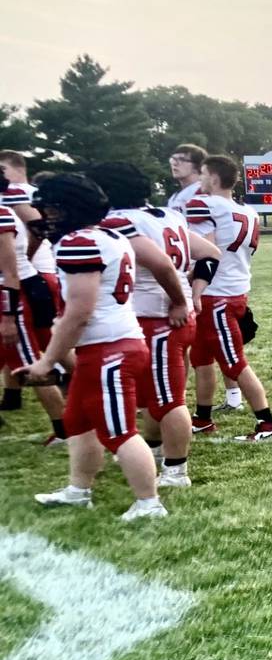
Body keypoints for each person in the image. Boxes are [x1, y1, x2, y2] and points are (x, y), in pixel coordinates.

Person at [19, 173, 189, 520]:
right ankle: (78, 490)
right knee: (77, 421)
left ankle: (149, 503)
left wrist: (47, 360)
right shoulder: (109, 235)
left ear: (68, 208)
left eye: (51, 208)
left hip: (108, 348)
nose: (45, 216)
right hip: (114, 343)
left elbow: (79, 312)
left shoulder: (79, 243)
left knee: (119, 432)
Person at [89, 161, 220, 488]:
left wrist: (179, 298)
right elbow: (209, 252)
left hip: (159, 318)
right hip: (167, 317)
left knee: (169, 398)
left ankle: (176, 471)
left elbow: (161, 263)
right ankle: (157, 450)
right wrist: (193, 293)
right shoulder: (167, 215)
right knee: (155, 395)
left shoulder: (120, 221)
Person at [185, 155, 272, 441]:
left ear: (213, 178)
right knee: (201, 359)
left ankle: (267, 424)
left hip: (216, 295)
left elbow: (206, 252)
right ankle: (202, 418)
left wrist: (193, 287)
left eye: (202, 174)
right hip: (235, 289)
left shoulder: (205, 204)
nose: (199, 181)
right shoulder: (248, 211)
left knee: (234, 362)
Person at [0, 151, 67, 444]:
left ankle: (66, 430)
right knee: (53, 349)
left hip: (19, 292)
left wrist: (9, 316)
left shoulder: (4, 213)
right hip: (28, 284)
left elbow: (10, 274)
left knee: (33, 362)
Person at [169, 143, 241, 412]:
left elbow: (208, 249)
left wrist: (192, 282)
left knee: (214, 348)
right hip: (225, 279)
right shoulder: (186, 196)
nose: (174, 163)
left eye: (181, 159)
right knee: (209, 347)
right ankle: (207, 404)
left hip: (208, 278)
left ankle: (252, 408)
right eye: (172, 158)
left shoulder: (201, 197)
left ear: (202, 170)